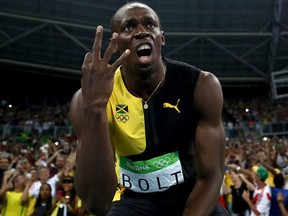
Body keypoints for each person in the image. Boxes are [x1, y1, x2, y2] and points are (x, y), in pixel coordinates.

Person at [69, 2, 227, 216]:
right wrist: (95, 108)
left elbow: (211, 177)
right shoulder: (87, 100)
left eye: (150, 25)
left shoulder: (201, 85)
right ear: (115, 44)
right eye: (128, 27)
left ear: (161, 38)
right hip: (129, 201)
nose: (141, 32)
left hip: (189, 196)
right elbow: (96, 202)